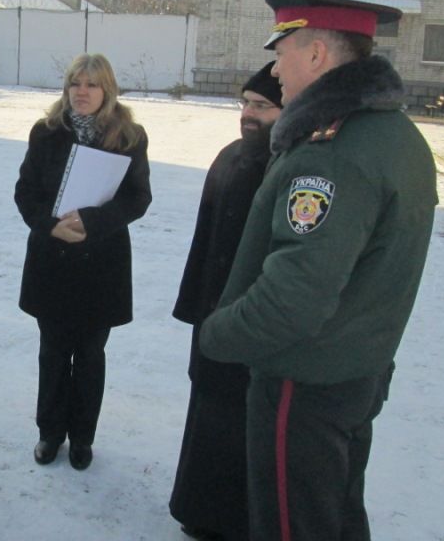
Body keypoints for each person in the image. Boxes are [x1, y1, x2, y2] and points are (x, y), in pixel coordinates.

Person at [200, 0, 438, 541]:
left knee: (294, 525)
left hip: (304, 385)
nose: (276, 71)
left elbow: (293, 299)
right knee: (335, 516)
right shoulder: (395, 134)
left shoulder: (331, 154)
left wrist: (218, 334)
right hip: (356, 371)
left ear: (316, 53)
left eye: (281, 53)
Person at [14, 53, 152, 470]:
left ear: (107, 89)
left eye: (91, 84)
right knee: (53, 352)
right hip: (52, 259)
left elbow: (137, 197)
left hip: (101, 261)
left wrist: (92, 222)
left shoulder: (129, 135)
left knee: (91, 355)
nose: (82, 92)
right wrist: (48, 225)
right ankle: (50, 433)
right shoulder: (46, 133)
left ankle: (82, 438)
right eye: (76, 83)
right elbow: (26, 192)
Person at [169, 62, 283, 541]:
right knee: (206, 408)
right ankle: (196, 510)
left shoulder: (286, 165)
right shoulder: (230, 155)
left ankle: (231, 521)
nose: (248, 113)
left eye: (261, 106)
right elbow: (204, 241)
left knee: (240, 420)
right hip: (211, 313)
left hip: (252, 320)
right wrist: (193, 306)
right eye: (245, 103)